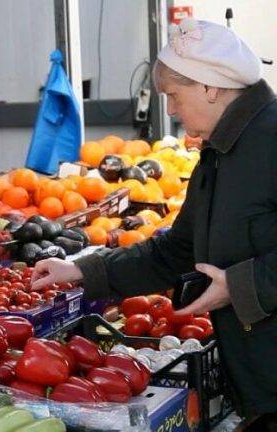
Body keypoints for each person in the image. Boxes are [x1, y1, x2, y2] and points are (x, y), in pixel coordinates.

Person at [31, 19, 277, 430]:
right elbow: (175, 249)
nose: (172, 110)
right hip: (260, 383)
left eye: (175, 96)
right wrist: (83, 269)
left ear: (209, 87)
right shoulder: (221, 154)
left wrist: (240, 286)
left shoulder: (269, 142)